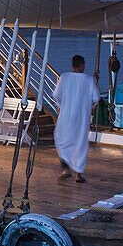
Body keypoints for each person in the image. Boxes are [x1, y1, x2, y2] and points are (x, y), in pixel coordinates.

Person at [52, 54, 101, 184]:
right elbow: (96, 98)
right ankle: (79, 175)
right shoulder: (89, 80)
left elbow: (56, 95)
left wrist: (62, 105)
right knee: (80, 144)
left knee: (61, 140)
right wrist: (89, 106)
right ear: (82, 65)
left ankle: (65, 168)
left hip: (65, 117)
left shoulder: (64, 78)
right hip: (81, 119)